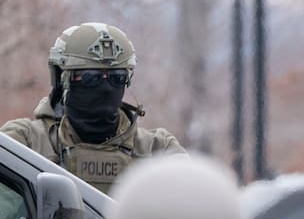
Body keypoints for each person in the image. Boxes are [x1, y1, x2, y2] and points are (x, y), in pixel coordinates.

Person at [2, 22, 183, 193]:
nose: (106, 88)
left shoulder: (157, 149)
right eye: (91, 77)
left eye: (117, 77)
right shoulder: (24, 141)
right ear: (62, 80)